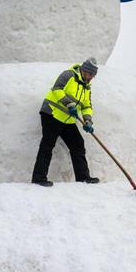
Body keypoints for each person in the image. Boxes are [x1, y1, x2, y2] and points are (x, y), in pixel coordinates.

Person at [31, 58, 100, 187]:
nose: (91, 77)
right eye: (89, 74)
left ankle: (83, 178)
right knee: (47, 145)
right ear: (84, 70)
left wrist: (88, 121)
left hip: (67, 120)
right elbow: (57, 89)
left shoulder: (86, 87)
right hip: (52, 113)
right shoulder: (68, 75)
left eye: (93, 75)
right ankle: (38, 178)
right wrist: (69, 104)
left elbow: (87, 106)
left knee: (78, 144)